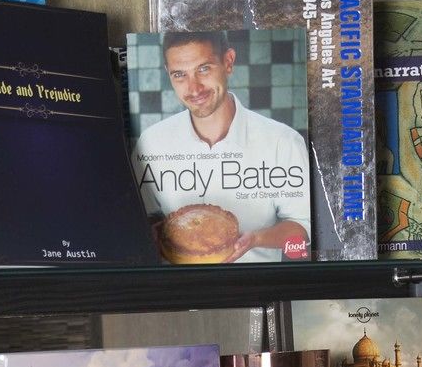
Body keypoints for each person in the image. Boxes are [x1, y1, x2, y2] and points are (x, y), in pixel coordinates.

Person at [133, 31, 313, 262]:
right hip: (177, 284)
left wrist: (255, 239)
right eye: (180, 75)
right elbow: (138, 219)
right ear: (168, 73)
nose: (194, 88)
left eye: (203, 69)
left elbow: (303, 228)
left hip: (257, 282)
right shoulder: (151, 142)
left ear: (228, 62)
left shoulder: (283, 141)